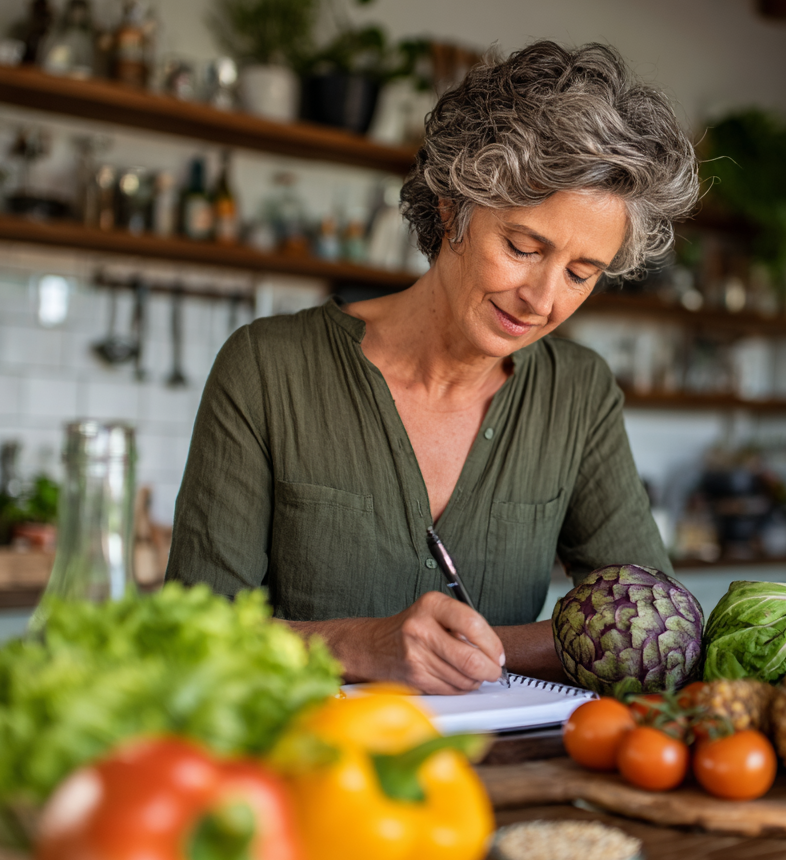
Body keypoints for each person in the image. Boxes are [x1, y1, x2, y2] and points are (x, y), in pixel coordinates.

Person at [167, 40, 700, 694]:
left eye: (581, 273)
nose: (543, 299)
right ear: (453, 208)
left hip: (510, 781)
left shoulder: (578, 393)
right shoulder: (269, 368)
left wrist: (479, 649)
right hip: (304, 773)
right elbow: (191, 633)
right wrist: (363, 645)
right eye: (523, 247)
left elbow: (660, 630)